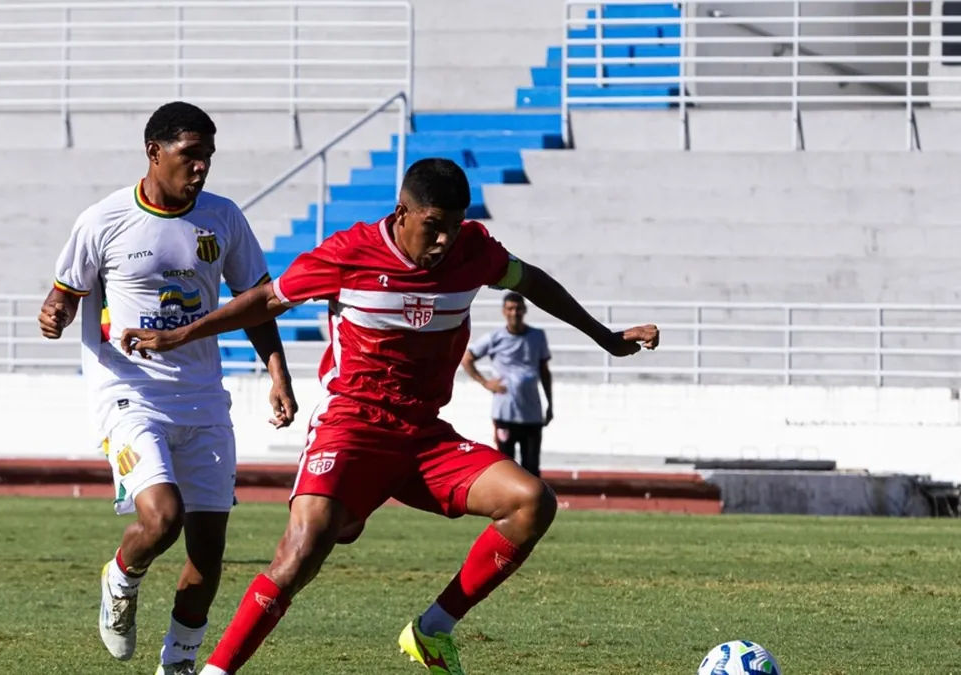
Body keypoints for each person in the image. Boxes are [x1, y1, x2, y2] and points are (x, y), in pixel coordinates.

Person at [120, 158, 659, 675]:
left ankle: (433, 628)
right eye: (433, 227)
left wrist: (605, 337)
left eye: (455, 226)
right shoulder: (349, 253)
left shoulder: (474, 251)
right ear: (403, 214)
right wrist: (177, 335)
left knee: (531, 502)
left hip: (425, 437)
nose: (445, 240)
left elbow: (532, 281)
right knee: (301, 552)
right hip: (351, 427)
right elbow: (265, 300)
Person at [38, 101, 298, 675]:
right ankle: (121, 577)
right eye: (190, 155)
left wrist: (277, 372)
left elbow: (257, 301)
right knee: (163, 517)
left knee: (208, 551)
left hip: (204, 396)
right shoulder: (102, 221)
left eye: (207, 156)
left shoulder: (224, 218)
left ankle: (178, 661)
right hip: (129, 392)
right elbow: (64, 292)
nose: (201, 167)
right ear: (153, 153)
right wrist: (54, 312)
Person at [461, 292, 552, 477]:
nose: (514, 312)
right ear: (504, 311)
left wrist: (550, 404)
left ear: (524, 310)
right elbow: (467, 359)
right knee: (506, 465)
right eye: (510, 308)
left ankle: (534, 504)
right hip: (505, 413)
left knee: (531, 467)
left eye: (518, 308)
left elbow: (544, 371)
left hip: (531, 413)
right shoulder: (495, 337)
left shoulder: (537, 336)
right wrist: (485, 383)